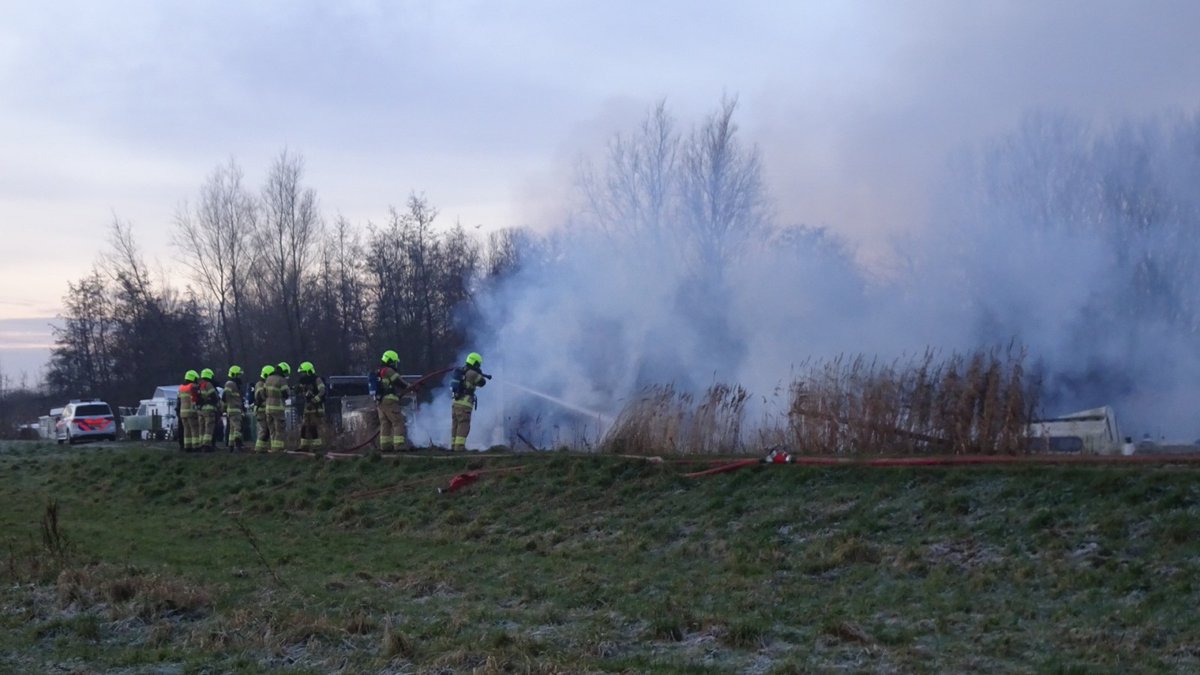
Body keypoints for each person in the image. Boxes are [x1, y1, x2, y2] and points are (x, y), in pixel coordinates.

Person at [450, 352, 489, 452]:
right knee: (463, 425)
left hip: (455, 403)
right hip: (464, 404)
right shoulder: (472, 373)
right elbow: (482, 382)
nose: (479, 366)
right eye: (478, 364)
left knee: (455, 425)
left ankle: (453, 446)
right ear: (475, 363)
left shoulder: (462, 370)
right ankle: (459, 448)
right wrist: (479, 373)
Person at [376, 350, 410, 452]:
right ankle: (399, 446)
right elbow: (398, 381)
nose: (395, 364)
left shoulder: (379, 371)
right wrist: (409, 386)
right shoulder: (388, 370)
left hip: (380, 402)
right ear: (390, 361)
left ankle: (385, 446)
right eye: (395, 362)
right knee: (398, 422)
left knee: (385, 423)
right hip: (389, 401)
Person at [297, 361, 326, 452]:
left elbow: (322, 391)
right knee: (304, 426)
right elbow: (302, 391)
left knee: (313, 427)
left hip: (316, 408)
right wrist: (297, 389)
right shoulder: (304, 382)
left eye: (304, 373)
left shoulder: (317, 380)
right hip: (307, 407)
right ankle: (304, 446)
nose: (302, 375)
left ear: (309, 372)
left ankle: (317, 447)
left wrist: (315, 400)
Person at [265, 362, 291, 453]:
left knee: (272, 429)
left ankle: (273, 448)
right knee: (279, 429)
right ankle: (279, 449)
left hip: (268, 408)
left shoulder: (268, 379)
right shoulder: (281, 380)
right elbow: (285, 394)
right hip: (278, 408)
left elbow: (264, 393)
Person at [196, 368, 219, 452]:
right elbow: (214, 396)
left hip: (200, 410)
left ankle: (201, 444)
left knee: (201, 428)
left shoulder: (199, 385)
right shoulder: (208, 384)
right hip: (209, 409)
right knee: (209, 427)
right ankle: (207, 445)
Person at [223, 365, 245, 452]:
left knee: (232, 429)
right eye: (238, 375)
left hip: (234, 409)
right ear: (234, 375)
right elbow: (225, 396)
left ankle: (231, 446)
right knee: (237, 427)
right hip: (234, 409)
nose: (240, 377)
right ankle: (238, 445)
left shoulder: (234, 384)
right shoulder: (230, 384)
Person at [178, 370, 200, 452]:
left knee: (186, 430)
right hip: (191, 411)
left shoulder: (181, 388)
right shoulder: (192, 386)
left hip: (182, 412)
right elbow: (197, 397)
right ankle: (196, 446)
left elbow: (179, 400)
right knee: (194, 429)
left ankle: (187, 446)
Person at [254, 365, 274, 453]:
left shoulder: (264, 384)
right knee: (263, 429)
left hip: (265, 410)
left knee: (267, 430)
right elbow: (260, 396)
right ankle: (259, 449)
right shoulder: (260, 384)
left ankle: (263, 448)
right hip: (261, 410)